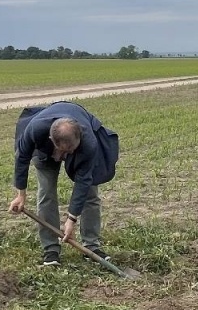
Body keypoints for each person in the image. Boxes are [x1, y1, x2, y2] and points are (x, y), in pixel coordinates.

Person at [8, 101, 120, 265]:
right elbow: (22, 157)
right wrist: (21, 195)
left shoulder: (89, 142)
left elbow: (83, 181)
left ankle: (91, 246)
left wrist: (71, 219)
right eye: (62, 151)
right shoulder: (35, 129)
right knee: (46, 193)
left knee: (90, 193)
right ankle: (51, 249)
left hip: (81, 147)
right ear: (51, 139)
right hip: (44, 149)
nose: (65, 155)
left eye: (70, 151)